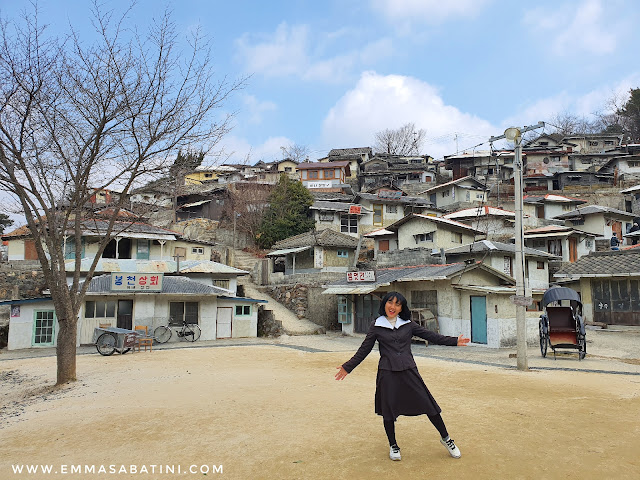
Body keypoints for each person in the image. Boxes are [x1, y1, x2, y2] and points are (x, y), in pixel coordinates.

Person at [335, 291, 470, 461]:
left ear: (401, 308)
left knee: (429, 406)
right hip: (387, 373)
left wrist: (454, 341)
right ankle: (393, 445)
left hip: (408, 370)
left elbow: (431, 336)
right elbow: (365, 349)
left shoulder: (408, 324)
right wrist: (348, 367)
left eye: (397, 304)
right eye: (390, 302)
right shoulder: (377, 325)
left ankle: (447, 439)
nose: (393, 306)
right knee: (388, 411)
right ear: (384, 304)